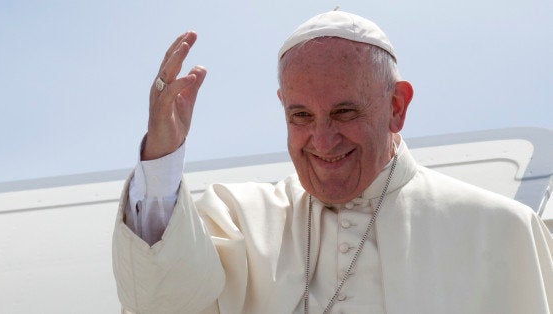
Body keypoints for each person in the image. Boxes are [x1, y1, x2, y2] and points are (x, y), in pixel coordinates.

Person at [112, 10, 553, 314]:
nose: (322, 140)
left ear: (396, 106)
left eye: (345, 112)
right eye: (300, 116)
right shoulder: (241, 220)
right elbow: (161, 302)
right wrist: (162, 159)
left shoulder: (498, 230)